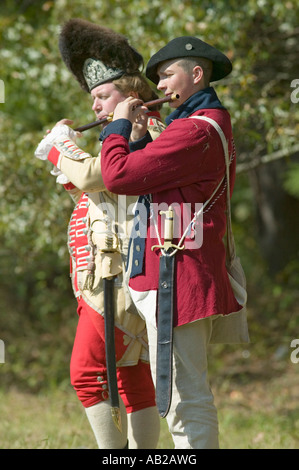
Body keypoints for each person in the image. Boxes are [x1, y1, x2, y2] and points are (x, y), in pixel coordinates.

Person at [99, 36, 249, 449]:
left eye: (167, 74)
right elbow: (166, 184)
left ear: (196, 74)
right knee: (181, 395)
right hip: (172, 273)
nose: (160, 87)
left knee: (186, 399)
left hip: (179, 277)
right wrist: (141, 137)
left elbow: (117, 176)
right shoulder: (193, 126)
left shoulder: (197, 129)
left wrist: (115, 126)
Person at [35, 19, 166, 449]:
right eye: (92, 98)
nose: (94, 107)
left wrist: (60, 147)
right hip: (107, 275)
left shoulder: (147, 128)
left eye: (101, 96)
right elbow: (98, 192)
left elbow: (95, 176)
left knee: (86, 373)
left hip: (121, 275)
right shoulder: (125, 131)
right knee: (130, 376)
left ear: (129, 95)